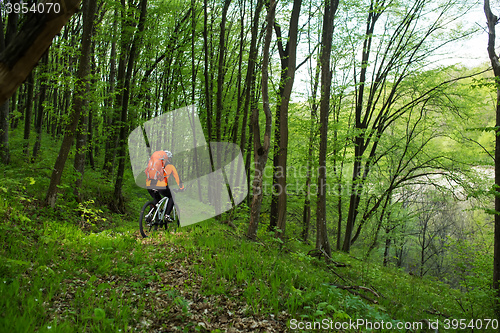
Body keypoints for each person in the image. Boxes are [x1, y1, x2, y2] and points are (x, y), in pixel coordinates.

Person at [145, 150, 184, 222]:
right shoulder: (170, 166)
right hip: (160, 186)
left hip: (149, 185)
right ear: (168, 158)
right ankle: (167, 215)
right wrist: (181, 187)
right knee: (172, 196)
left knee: (157, 199)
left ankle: (150, 214)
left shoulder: (154, 165)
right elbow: (177, 178)